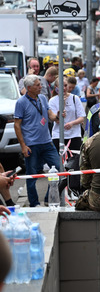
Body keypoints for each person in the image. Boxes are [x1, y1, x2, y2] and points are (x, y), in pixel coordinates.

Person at [14, 75, 62, 207]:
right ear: (29, 88)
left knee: (59, 168)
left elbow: (49, 114)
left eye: (40, 84)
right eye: (37, 85)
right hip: (32, 145)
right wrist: (23, 146)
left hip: (47, 142)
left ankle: (48, 198)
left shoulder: (42, 98)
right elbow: (17, 125)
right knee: (32, 175)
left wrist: (57, 116)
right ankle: (34, 203)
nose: (41, 87)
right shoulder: (21, 102)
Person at [48, 76, 86, 154]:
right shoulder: (52, 100)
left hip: (74, 135)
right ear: (56, 88)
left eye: (65, 85)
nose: (64, 88)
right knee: (60, 162)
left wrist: (72, 123)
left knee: (74, 162)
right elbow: (56, 120)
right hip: (58, 135)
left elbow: (82, 117)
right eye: (61, 86)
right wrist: (61, 108)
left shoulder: (75, 98)